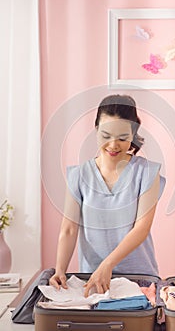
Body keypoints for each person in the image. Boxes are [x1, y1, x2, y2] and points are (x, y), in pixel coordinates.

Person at [49, 94, 165, 297]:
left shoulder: (147, 173)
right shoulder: (79, 175)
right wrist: (60, 270)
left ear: (133, 133)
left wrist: (108, 264)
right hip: (93, 280)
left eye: (122, 137)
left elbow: (141, 228)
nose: (113, 145)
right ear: (96, 130)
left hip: (140, 278)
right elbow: (68, 229)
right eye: (106, 135)